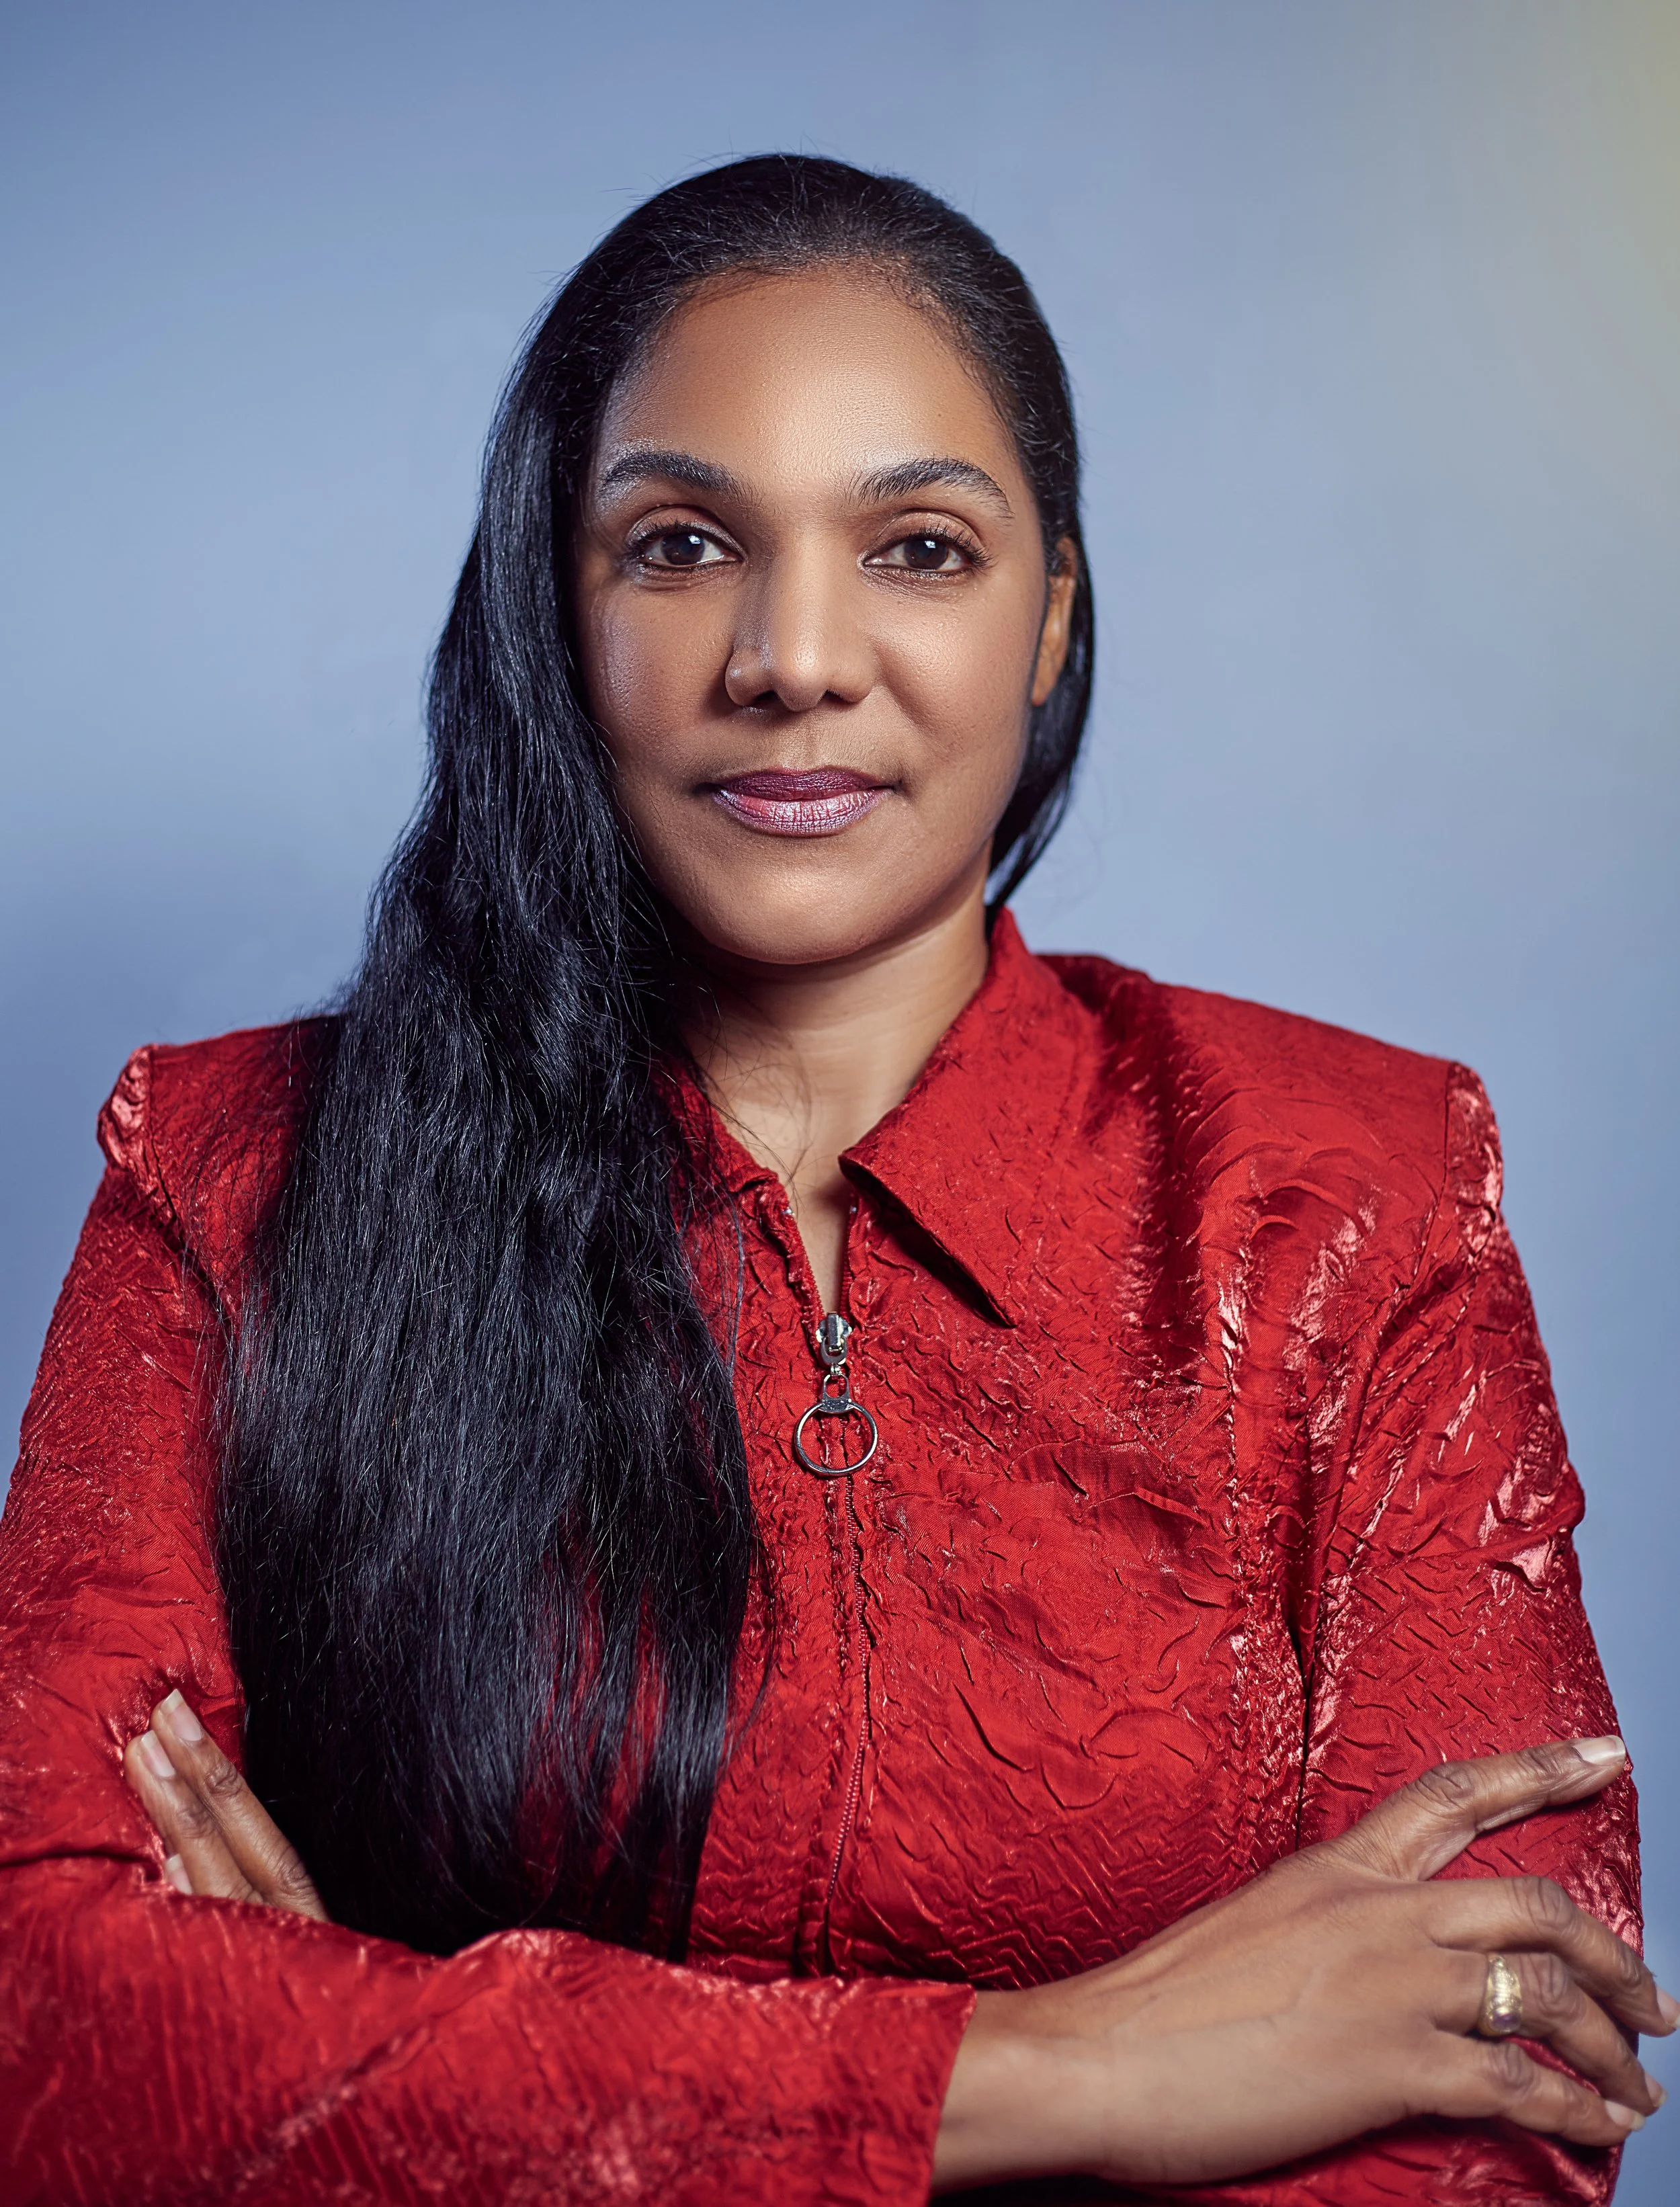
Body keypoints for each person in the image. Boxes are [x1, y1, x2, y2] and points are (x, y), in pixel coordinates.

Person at [0, 155, 1665, 2206]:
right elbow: (50, 2033)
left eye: (919, 549)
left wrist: (371, 2055)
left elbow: (1497, 2087)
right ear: (554, 601)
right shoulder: (229, 1177)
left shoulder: (1349, 1200)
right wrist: (1081, 2066)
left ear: (1051, 613)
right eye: (684, 541)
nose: (793, 655)